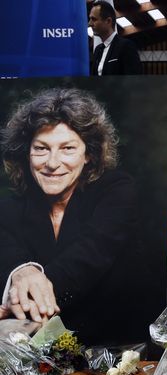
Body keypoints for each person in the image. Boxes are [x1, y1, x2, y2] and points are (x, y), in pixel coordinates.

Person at [0, 88, 146, 345]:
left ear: (88, 154)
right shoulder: (10, 208)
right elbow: (8, 254)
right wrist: (22, 272)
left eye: (67, 148)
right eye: (41, 149)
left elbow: (89, 255)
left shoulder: (117, 190)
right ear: (26, 153)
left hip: (113, 347)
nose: (52, 163)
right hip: (37, 354)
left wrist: (21, 299)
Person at [89, 1, 142, 76]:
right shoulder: (98, 50)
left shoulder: (126, 46)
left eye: (94, 19)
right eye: (90, 19)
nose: (90, 23)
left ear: (108, 21)